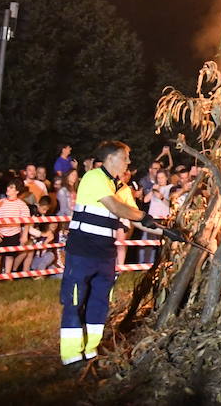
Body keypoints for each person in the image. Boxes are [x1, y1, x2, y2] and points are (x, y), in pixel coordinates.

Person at [59, 141, 158, 365]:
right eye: (126, 157)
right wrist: (142, 217)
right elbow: (117, 208)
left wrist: (164, 230)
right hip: (82, 251)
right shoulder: (94, 178)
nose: (129, 162)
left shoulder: (122, 188)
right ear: (111, 158)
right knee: (75, 300)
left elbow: (135, 217)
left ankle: (91, 350)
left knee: (99, 302)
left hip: (105, 254)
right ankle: (71, 356)